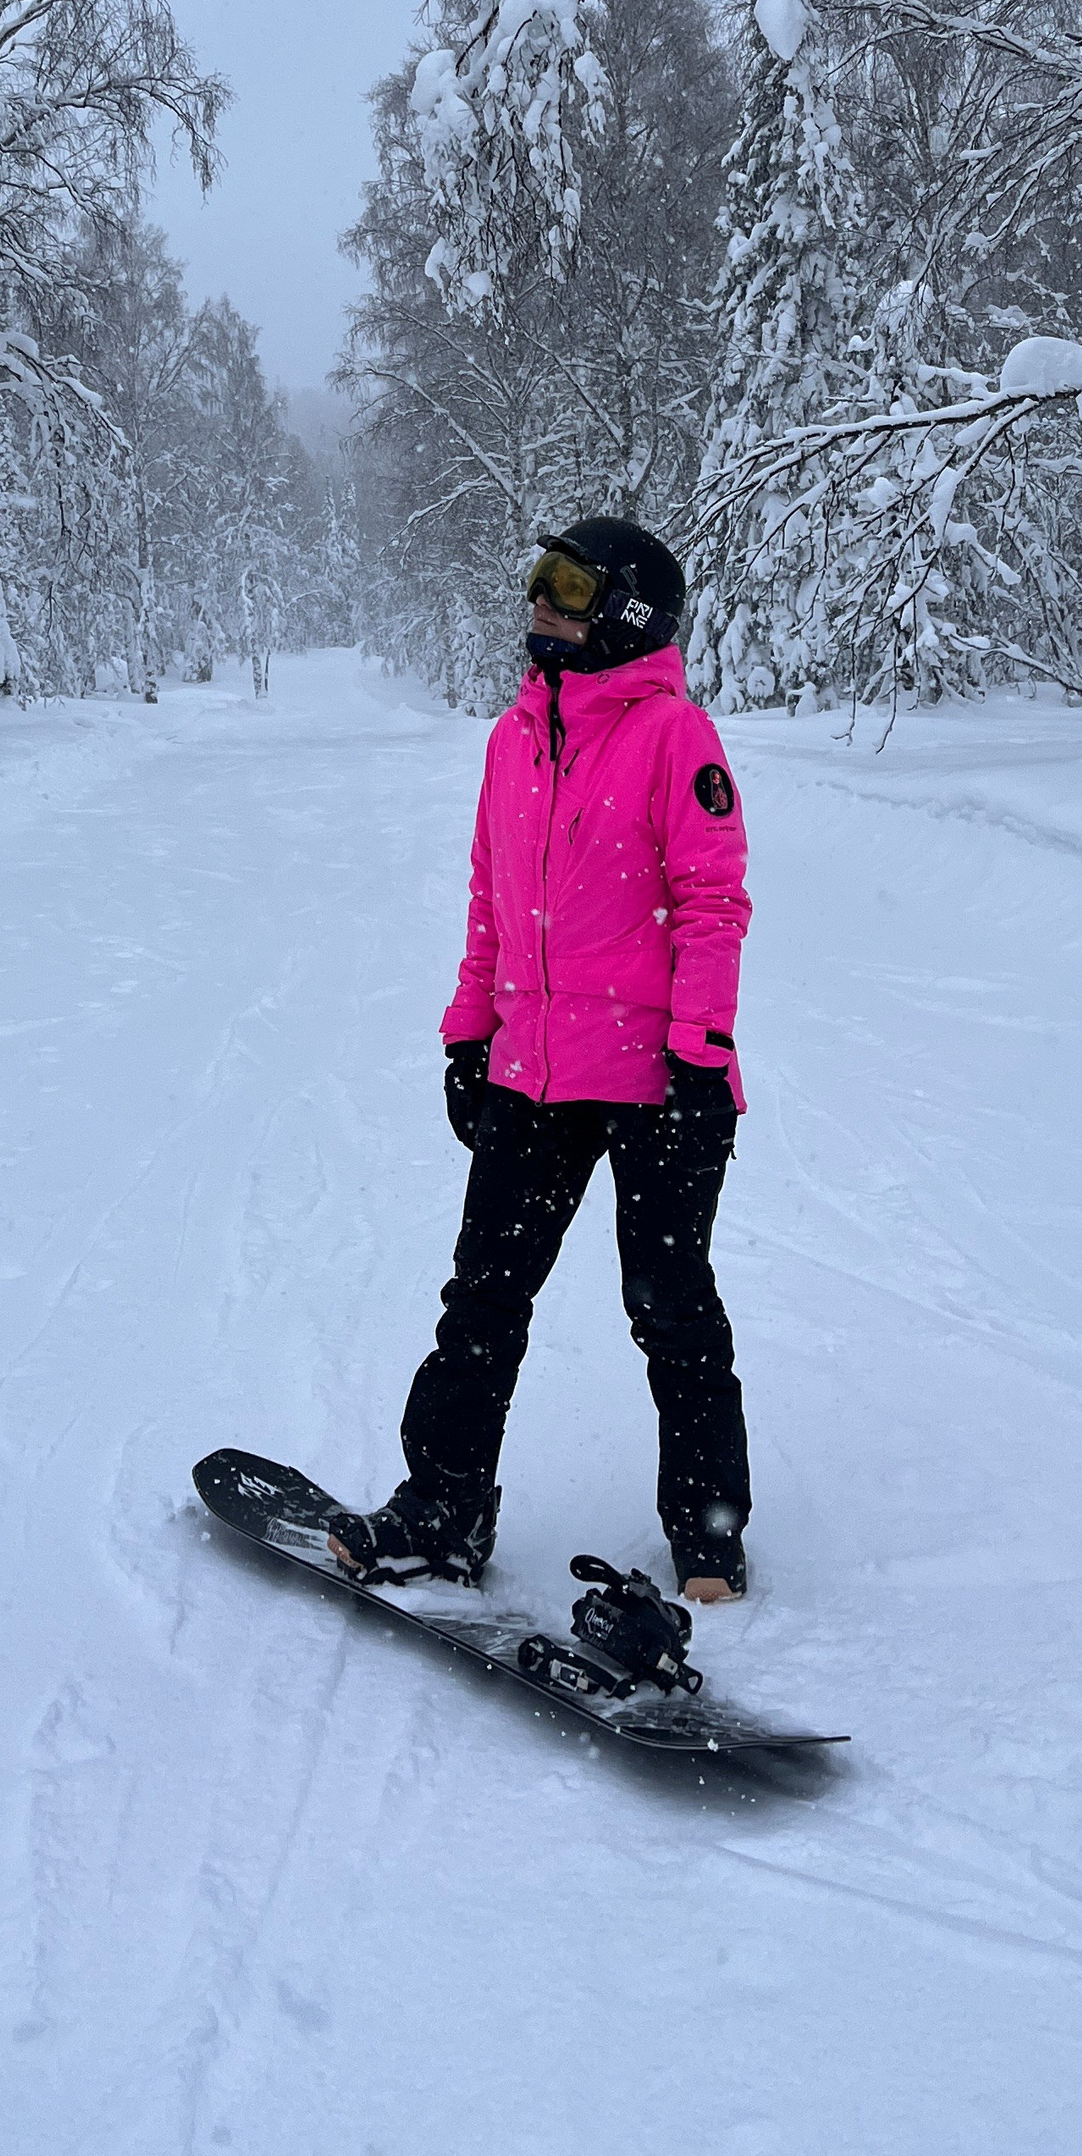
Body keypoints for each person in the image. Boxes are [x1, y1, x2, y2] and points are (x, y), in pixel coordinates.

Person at [330, 517, 755, 1603]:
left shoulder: (674, 735)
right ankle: (443, 1507)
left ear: (623, 610)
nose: (539, 599)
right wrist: (468, 1032)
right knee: (481, 1296)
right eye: (536, 577)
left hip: (658, 1077)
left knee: (668, 1302)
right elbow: (490, 900)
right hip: (531, 1070)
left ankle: (706, 1530)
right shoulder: (512, 737)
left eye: (565, 583)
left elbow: (711, 902)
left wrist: (700, 1054)